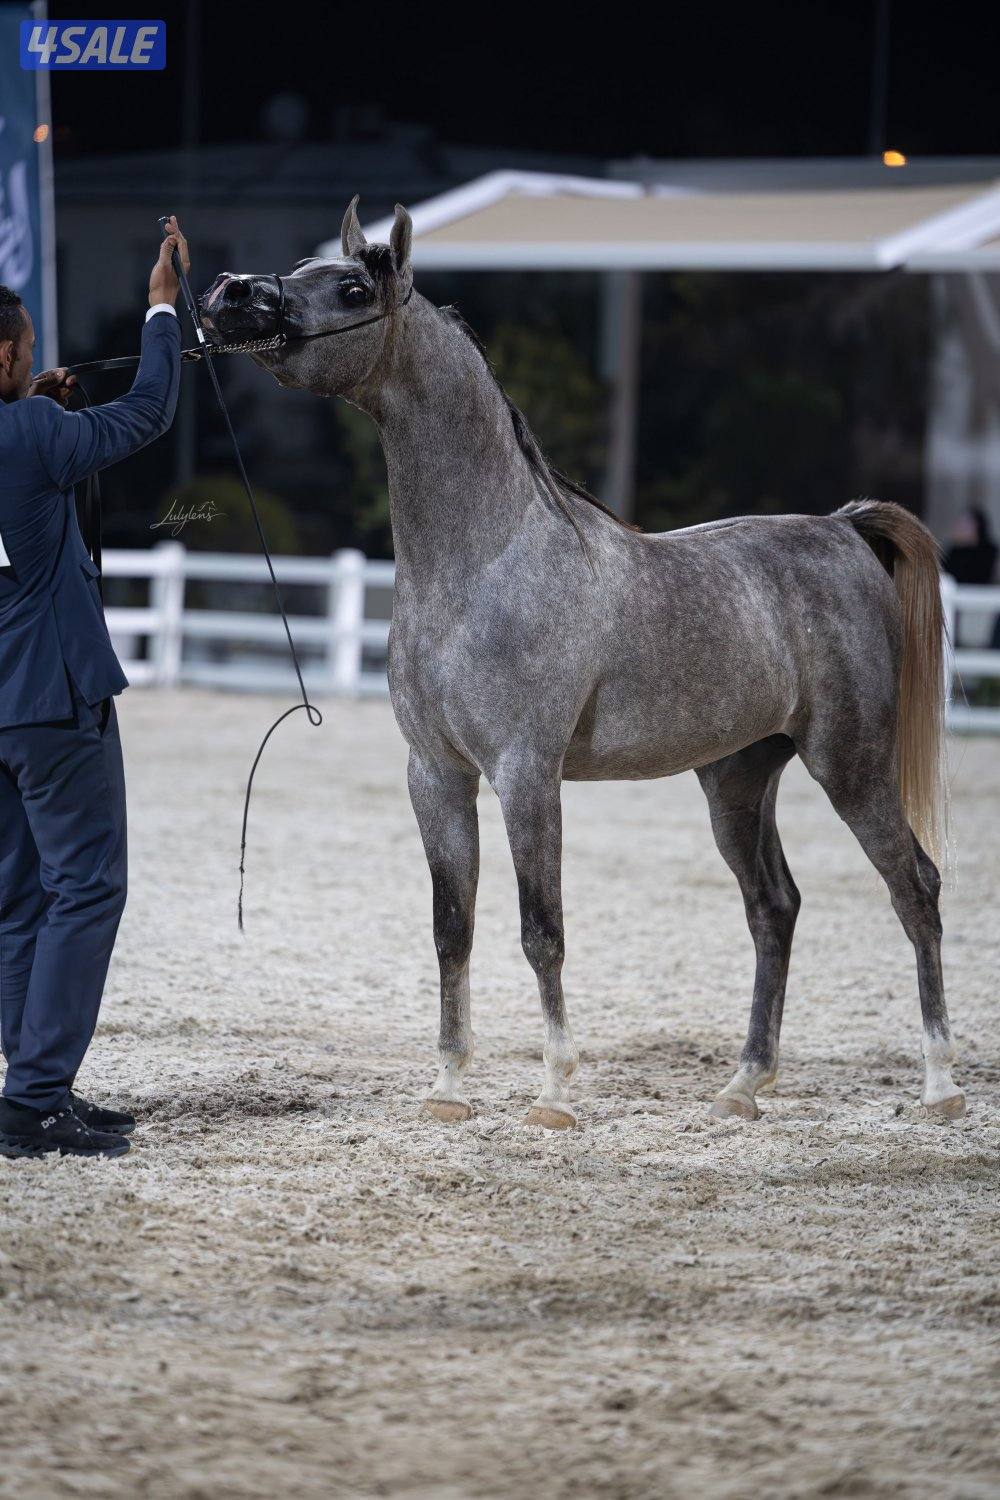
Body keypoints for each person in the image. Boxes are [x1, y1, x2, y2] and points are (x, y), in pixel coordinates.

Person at [0, 217, 188, 1159]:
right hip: (51, 699)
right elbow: (147, 412)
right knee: (86, 889)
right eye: (27, 346)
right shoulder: (35, 433)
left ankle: (32, 1086)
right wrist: (162, 309)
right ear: (5, 354)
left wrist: (32, 406)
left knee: (18, 901)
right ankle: (36, 1097)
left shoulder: (28, 428)